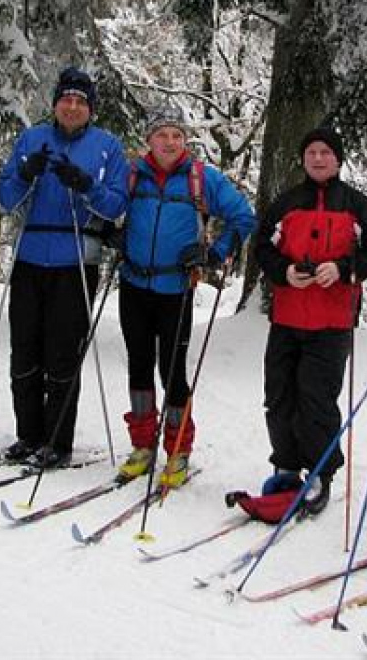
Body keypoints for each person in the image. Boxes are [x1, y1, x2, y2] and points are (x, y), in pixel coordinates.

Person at [0, 67, 129, 468]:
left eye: (80, 101)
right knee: (24, 352)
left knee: (62, 355)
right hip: (30, 255)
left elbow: (118, 205)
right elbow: (4, 199)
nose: (72, 107)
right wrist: (24, 173)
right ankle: (27, 435)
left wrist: (88, 186)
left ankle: (57, 441)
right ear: (55, 103)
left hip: (76, 259)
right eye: (66, 99)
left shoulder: (107, 146)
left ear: (91, 108)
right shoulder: (32, 138)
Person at [115, 106, 256, 488]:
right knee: (139, 365)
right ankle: (143, 445)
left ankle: (178, 449)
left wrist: (214, 253)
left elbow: (244, 216)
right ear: (149, 139)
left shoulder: (202, 178)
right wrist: (112, 233)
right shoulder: (132, 174)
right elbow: (108, 206)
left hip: (175, 287)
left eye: (177, 135)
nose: (170, 142)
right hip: (132, 284)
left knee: (172, 369)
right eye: (162, 134)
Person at [253, 127, 367, 516]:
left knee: (316, 399)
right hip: (287, 317)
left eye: (325, 152)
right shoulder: (286, 203)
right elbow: (263, 247)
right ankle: (286, 465)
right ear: (302, 158)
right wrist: (284, 271)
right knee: (279, 395)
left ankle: (320, 472)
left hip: (331, 322)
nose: (317, 158)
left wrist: (343, 270)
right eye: (311, 152)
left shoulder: (358, 207)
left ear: (338, 159)